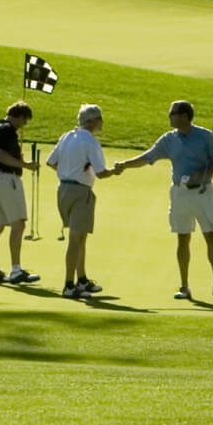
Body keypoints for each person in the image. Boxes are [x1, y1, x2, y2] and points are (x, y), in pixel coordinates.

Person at [116, 99, 213, 302]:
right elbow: (148, 157)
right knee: (182, 237)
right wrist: (124, 165)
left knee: (211, 235)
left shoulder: (205, 136)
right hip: (179, 193)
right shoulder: (169, 139)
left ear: (184, 116)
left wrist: (202, 172)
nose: (169, 117)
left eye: (173, 113)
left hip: (202, 192)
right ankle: (184, 286)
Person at [46, 103, 121, 298]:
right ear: (93, 121)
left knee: (80, 238)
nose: (102, 122)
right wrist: (116, 171)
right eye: (100, 119)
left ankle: (82, 280)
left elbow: (51, 162)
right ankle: (69, 285)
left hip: (63, 189)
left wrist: (69, 170)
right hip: (80, 192)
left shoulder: (67, 136)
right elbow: (101, 173)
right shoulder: (90, 142)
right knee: (75, 239)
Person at [0, 100, 40, 285]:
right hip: (7, 181)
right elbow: (1, 156)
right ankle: (16, 270)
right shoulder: (8, 129)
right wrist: (26, 165)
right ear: (20, 116)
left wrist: (18, 158)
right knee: (18, 224)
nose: (23, 126)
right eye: (24, 121)